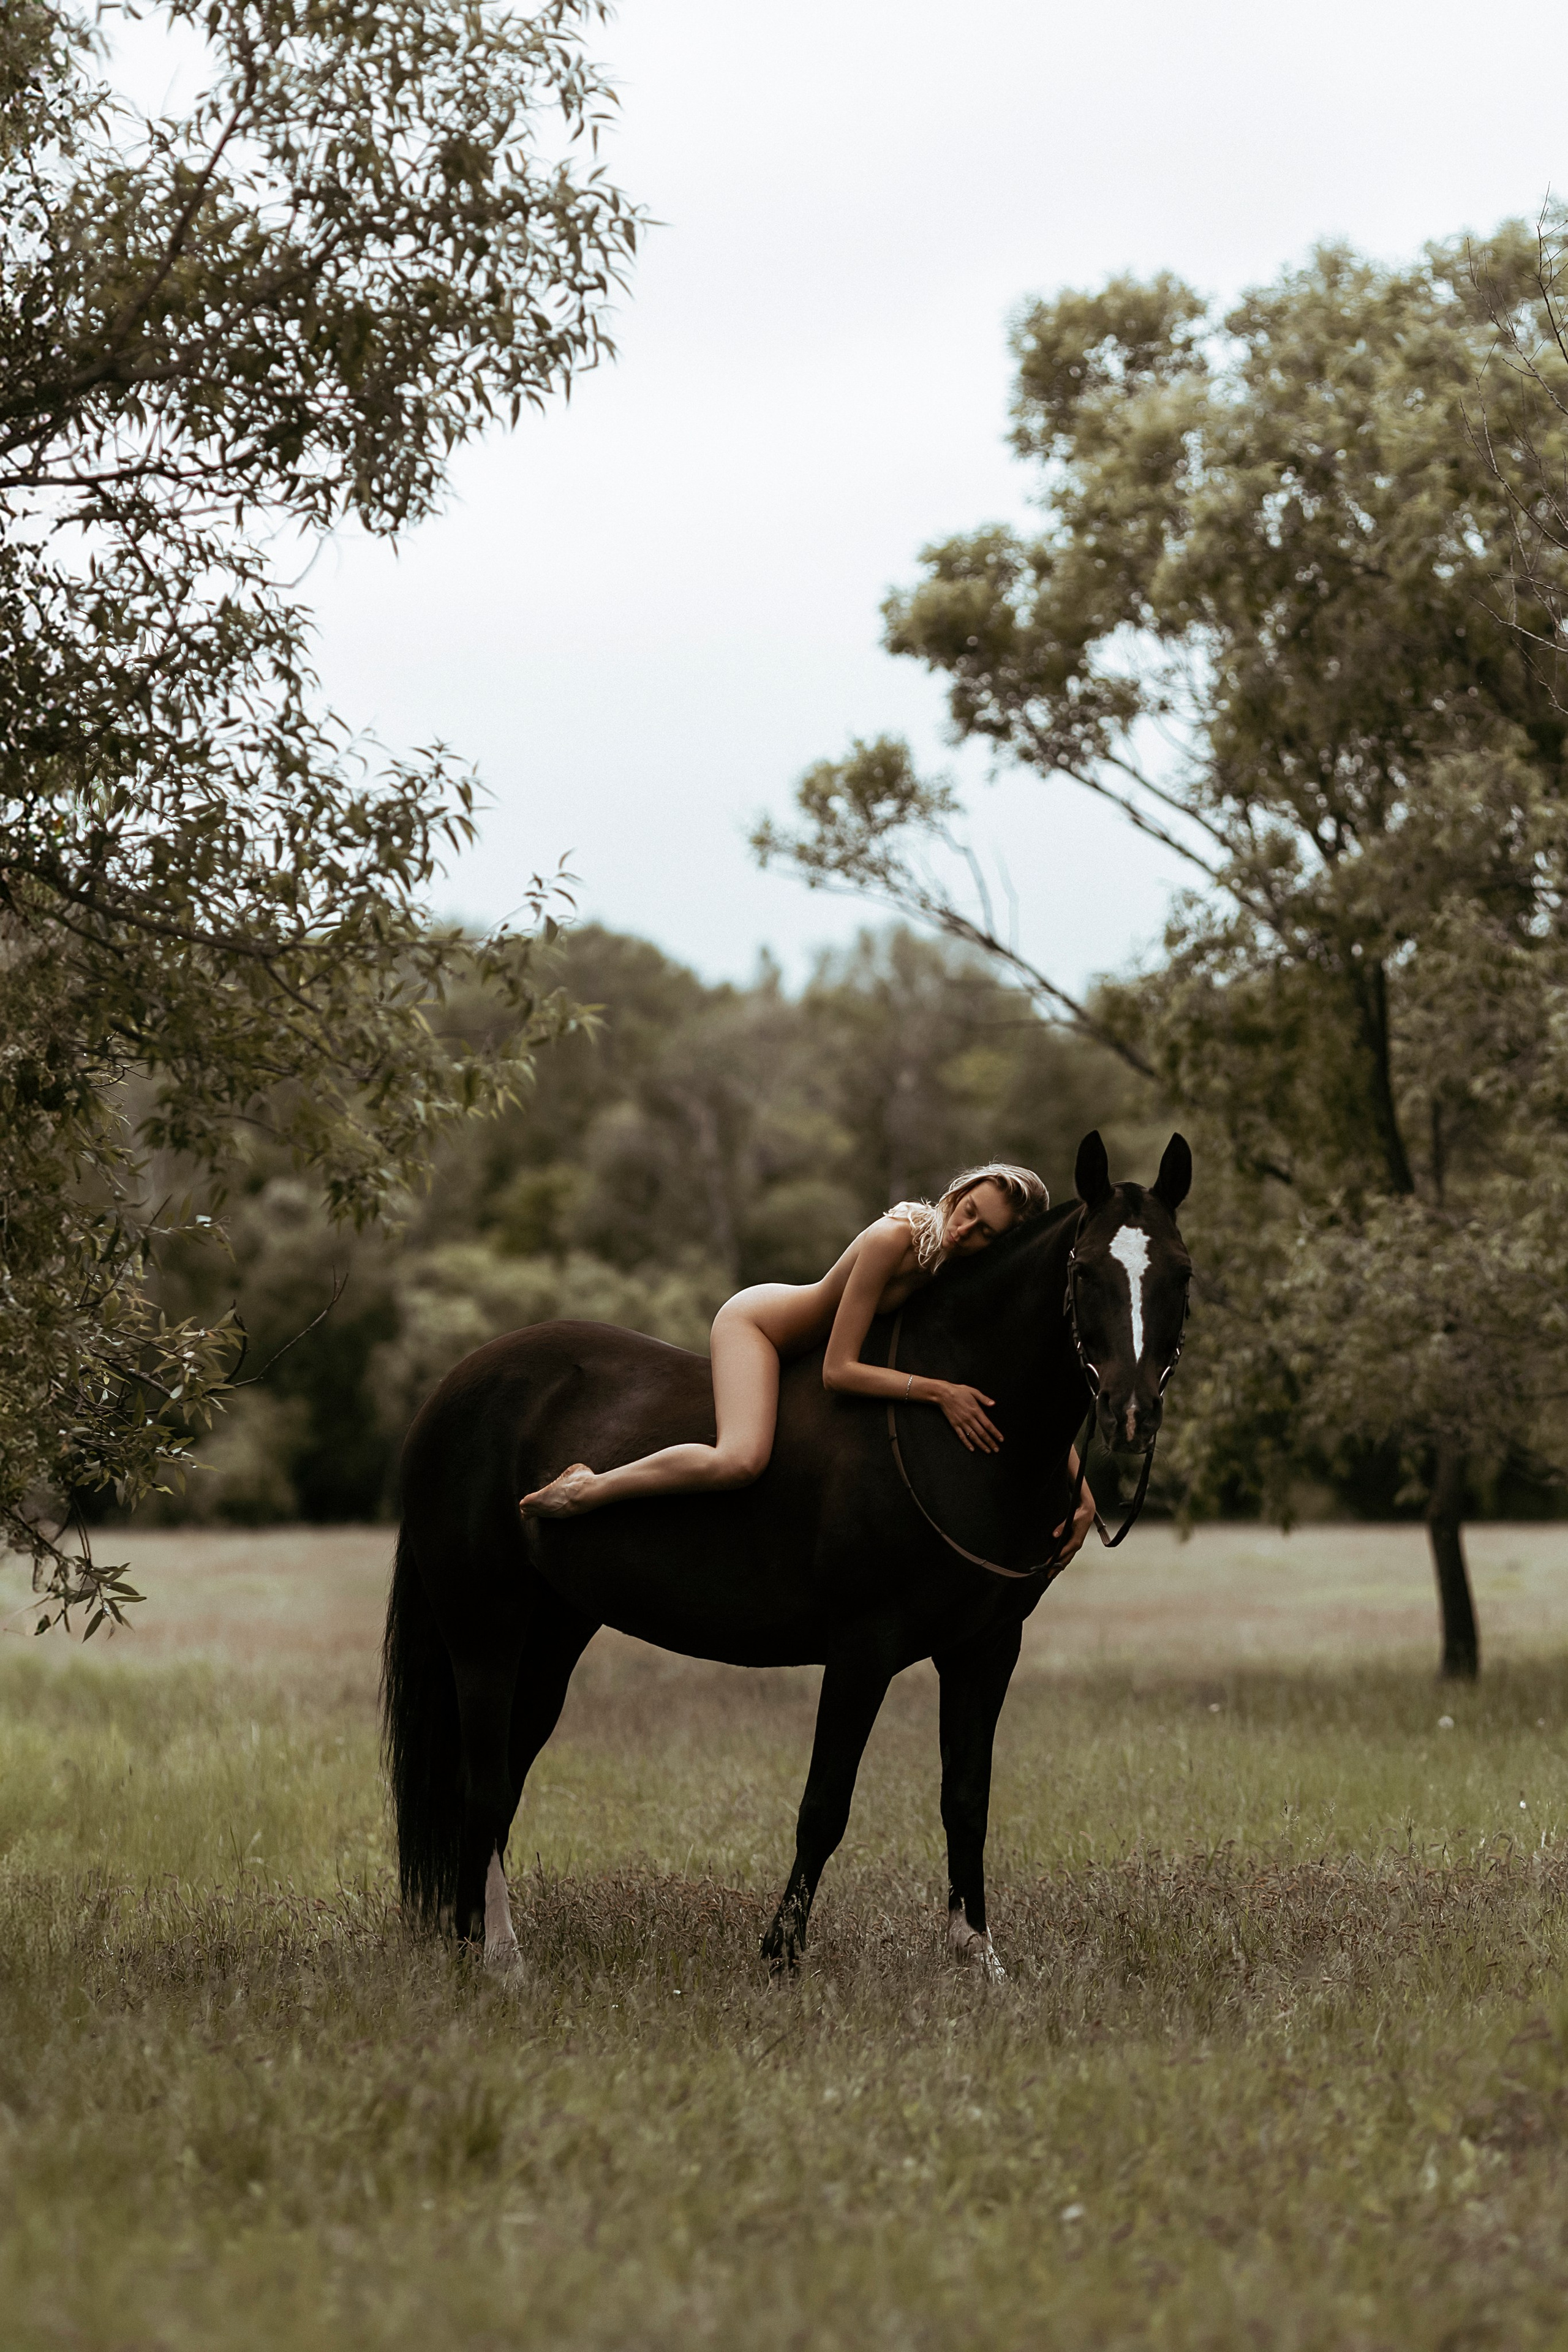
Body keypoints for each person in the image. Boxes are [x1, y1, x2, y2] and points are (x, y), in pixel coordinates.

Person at [519, 1161, 1097, 1553]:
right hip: (764, 1328)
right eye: (968, 1208)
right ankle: (589, 1488)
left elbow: (992, 1391)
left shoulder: (958, 1272)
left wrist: (1081, 1490)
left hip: (808, 1346)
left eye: (986, 1232)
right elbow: (837, 1371)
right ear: (958, 1193)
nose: (964, 1230)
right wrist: (938, 1392)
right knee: (739, 1461)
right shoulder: (895, 1238)